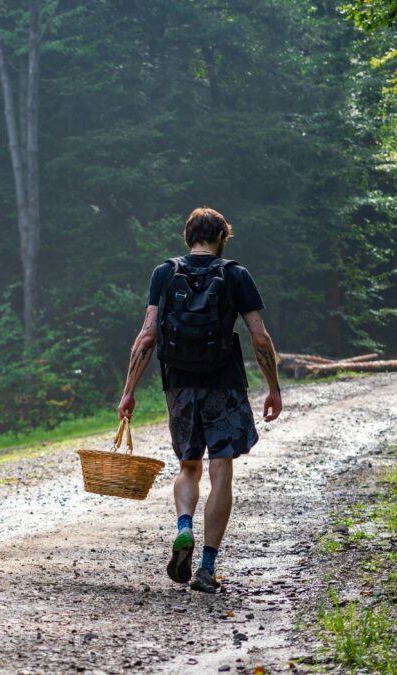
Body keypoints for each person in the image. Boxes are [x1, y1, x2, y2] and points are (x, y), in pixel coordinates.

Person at [116, 207, 282, 593]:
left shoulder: (165, 272)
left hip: (179, 383)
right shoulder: (236, 274)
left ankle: (184, 526)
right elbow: (259, 337)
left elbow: (146, 337)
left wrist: (128, 391)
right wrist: (273, 386)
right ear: (223, 236)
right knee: (221, 471)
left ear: (188, 236)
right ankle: (207, 567)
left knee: (188, 466)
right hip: (224, 383)